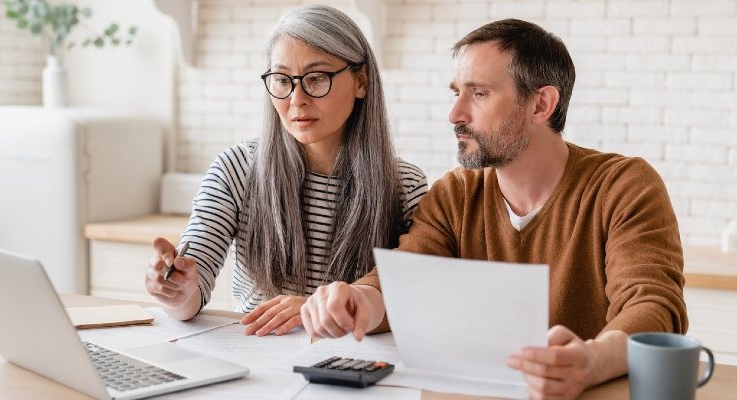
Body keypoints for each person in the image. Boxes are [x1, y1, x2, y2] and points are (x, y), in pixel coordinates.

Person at [300, 18, 687, 399]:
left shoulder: (623, 186)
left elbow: (654, 307)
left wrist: (590, 361)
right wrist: (357, 300)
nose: (455, 114)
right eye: (456, 93)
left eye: (479, 93)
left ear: (541, 104)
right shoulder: (454, 193)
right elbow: (406, 278)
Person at [144, 4, 427, 337]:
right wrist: (175, 288)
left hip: (354, 363)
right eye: (282, 80)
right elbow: (192, 291)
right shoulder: (237, 168)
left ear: (361, 80)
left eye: (317, 78)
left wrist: (314, 310)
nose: (297, 99)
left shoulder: (405, 185)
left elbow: (412, 299)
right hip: (259, 358)